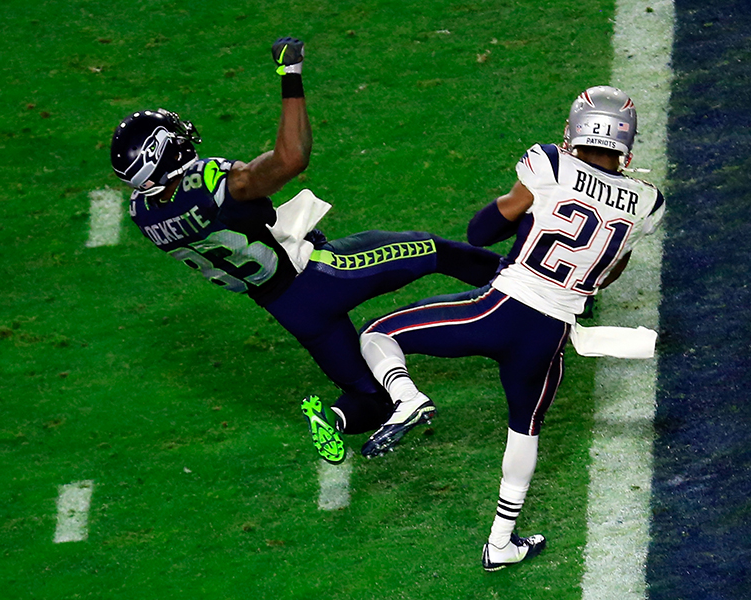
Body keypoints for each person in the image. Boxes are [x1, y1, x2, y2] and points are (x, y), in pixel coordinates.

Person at [108, 37, 502, 464]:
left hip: (286, 307)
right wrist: (290, 76)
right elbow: (291, 158)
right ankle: (538, 285)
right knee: (436, 251)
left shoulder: (144, 215)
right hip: (317, 275)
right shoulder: (215, 188)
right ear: (166, 151)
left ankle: (333, 419)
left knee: (368, 395)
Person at [357, 86, 666, 571]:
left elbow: (480, 231)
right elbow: (609, 274)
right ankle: (501, 542)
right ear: (627, 140)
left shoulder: (549, 162)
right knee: (525, 427)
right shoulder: (648, 202)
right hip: (552, 334)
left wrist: (528, 218)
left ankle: (407, 397)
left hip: (499, 309)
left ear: (575, 127)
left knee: (378, 333)